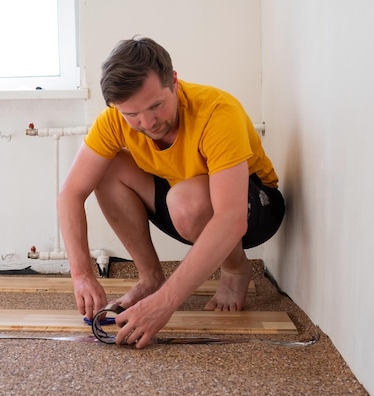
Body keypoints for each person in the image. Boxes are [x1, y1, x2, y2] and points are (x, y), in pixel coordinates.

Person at [57, 37, 285, 348]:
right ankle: (150, 279)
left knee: (186, 201)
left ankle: (235, 268)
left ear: (174, 82)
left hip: (256, 206)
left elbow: (231, 218)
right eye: (132, 114)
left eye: (156, 106)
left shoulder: (217, 112)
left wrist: (165, 305)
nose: (148, 122)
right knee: (107, 169)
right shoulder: (113, 120)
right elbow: (70, 193)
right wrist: (82, 275)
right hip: (184, 198)